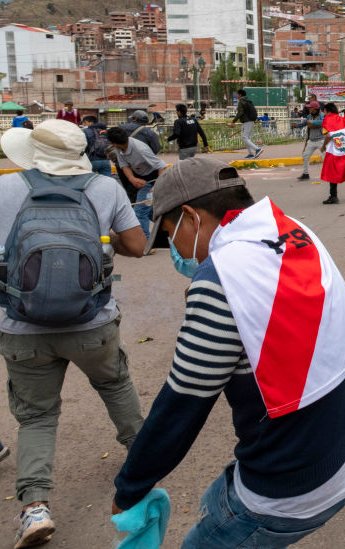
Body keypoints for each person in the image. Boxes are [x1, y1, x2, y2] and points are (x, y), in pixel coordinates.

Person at [111, 157, 345, 548]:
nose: (174, 251)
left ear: (190, 217)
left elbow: (181, 403)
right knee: (217, 498)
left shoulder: (223, 277)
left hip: (292, 484)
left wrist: (129, 487)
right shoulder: (292, 232)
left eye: (169, 235)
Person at [0, 119, 146, 549]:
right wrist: (108, 238)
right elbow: (138, 246)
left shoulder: (7, 189)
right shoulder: (104, 188)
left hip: (21, 327)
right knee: (115, 384)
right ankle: (144, 457)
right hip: (93, 322)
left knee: (37, 416)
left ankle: (35, 507)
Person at [106, 127, 168, 240]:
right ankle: (168, 228)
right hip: (140, 178)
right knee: (148, 212)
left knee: (140, 212)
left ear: (114, 143)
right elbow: (124, 165)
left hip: (152, 179)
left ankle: (146, 243)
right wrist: (132, 179)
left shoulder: (140, 149)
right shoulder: (120, 149)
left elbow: (162, 166)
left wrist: (156, 187)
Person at [228, 89, 263, 159]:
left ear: (240, 95)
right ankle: (251, 154)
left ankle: (257, 149)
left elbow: (240, 112)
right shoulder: (248, 101)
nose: (237, 96)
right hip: (251, 121)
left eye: (237, 94)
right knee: (247, 138)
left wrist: (233, 121)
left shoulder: (241, 101)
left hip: (247, 121)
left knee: (244, 137)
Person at [296, 101, 325, 181]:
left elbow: (323, 122)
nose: (308, 109)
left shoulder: (322, 115)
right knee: (305, 156)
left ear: (315, 109)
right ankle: (306, 174)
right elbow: (305, 123)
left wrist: (312, 123)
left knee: (326, 158)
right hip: (311, 141)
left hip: (321, 140)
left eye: (310, 108)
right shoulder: (309, 116)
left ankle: (329, 173)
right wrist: (296, 125)